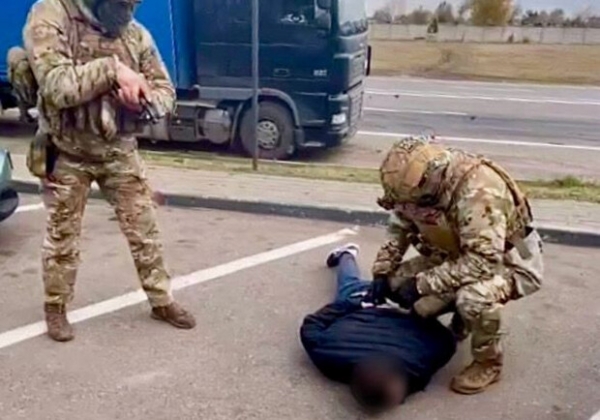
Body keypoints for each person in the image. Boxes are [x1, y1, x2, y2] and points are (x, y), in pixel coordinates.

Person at [21, 0, 196, 342]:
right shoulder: (52, 14)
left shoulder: (135, 35)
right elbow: (57, 86)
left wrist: (142, 100)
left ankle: (161, 300)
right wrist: (113, 70)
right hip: (67, 149)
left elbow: (166, 92)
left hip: (118, 150)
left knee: (144, 229)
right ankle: (56, 306)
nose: (129, 7)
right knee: (62, 236)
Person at [369, 136, 544, 395]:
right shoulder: (414, 187)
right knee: (397, 282)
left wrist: (421, 285)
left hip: (507, 261)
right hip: (455, 254)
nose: (408, 208)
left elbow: (482, 262)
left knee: (473, 299)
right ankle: (458, 323)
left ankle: (488, 363)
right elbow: (399, 226)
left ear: (430, 181)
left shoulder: (479, 192)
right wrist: (382, 271)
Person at [299, 244, 456, 413]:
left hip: (371, 303)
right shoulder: (327, 354)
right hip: (389, 304)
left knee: (350, 282)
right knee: (350, 281)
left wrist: (353, 304)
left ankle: (346, 255)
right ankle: (346, 255)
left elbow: (446, 340)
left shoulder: (328, 354)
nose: (402, 396)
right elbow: (447, 341)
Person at [6, 46, 37, 123]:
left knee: (20, 95)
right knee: (28, 93)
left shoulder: (15, 54)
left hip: (17, 75)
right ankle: (25, 115)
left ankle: (24, 114)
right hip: (24, 73)